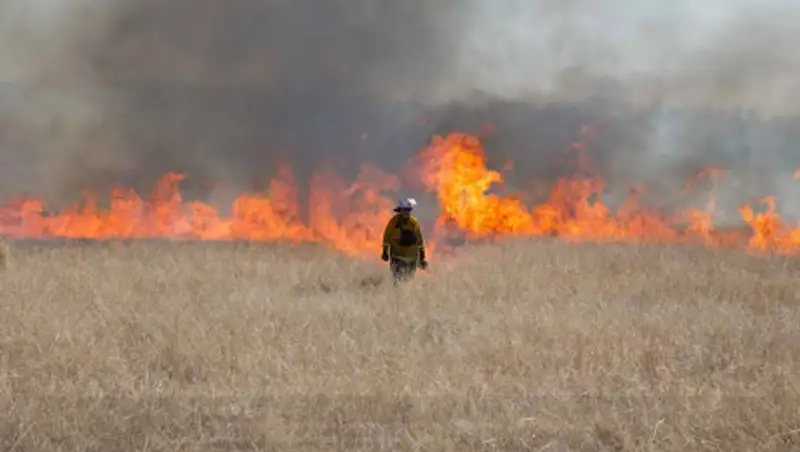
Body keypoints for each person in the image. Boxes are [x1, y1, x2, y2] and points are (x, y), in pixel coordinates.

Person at [381, 197, 428, 281]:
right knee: (397, 279)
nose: (407, 212)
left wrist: (422, 257)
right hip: (397, 257)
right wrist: (385, 251)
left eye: (409, 210)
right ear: (401, 210)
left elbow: (420, 241)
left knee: (409, 279)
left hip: (412, 258)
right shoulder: (393, 222)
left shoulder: (414, 223)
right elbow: (386, 237)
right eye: (405, 210)